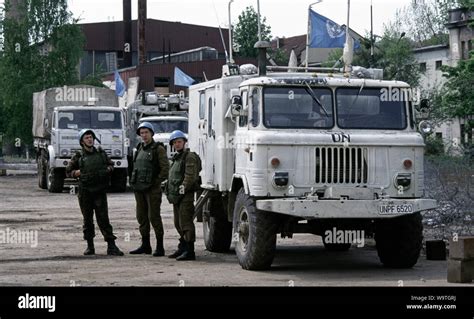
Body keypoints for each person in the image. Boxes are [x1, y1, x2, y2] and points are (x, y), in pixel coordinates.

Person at [66, 129, 124, 256]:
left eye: (91, 137)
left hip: (100, 191)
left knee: (103, 219)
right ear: (82, 141)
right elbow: (68, 171)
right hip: (85, 191)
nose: (90, 139)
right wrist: (76, 173)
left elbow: (111, 165)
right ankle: (90, 246)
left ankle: (111, 246)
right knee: (87, 220)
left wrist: (108, 169)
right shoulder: (78, 156)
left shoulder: (101, 153)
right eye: (87, 137)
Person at [129, 122, 169, 256]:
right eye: (142, 133)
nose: (144, 135)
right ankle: (145, 245)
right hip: (139, 188)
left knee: (154, 217)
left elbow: (165, 169)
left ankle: (160, 247)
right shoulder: (139, 147)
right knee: (141, 217)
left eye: (146, 132)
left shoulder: (158, 149)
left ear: (152, 133)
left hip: (152, 189)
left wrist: (155, 182)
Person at [166, 130, 201, 261]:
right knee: (177, 223)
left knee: (185, 223)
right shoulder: (177, 157)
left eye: (179, 142)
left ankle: (190, 251)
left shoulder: (189, 156)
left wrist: (182, 189)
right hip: (176, 196)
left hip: (185, 196)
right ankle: (183, 247)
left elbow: (190, 176)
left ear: (184, 142)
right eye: (175, 142)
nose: (177, 144)